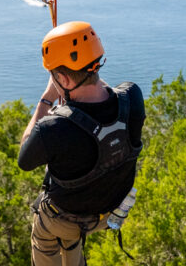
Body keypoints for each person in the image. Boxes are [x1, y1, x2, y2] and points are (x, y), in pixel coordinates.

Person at [18, 21, 145, 266]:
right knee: (70, 232)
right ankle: (73, 248)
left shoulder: (52, 129)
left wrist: (46, 99)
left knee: (45, 232)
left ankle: (67, 243)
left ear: (63, 79)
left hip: (63, 218)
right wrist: (70, 79)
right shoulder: (132, 97)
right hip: (108, 212)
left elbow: (24, 158)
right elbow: (104, 90)